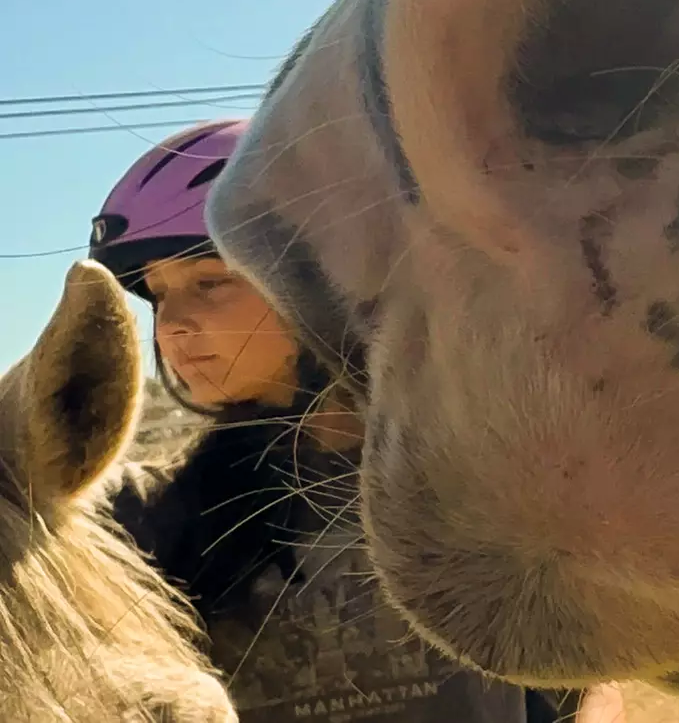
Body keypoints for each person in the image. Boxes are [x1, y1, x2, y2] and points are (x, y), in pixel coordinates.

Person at [89, 119, 587, 723]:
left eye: (210, 283)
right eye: (157, 293)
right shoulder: (145, 516)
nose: (172, 325)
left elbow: (580, 683)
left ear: (335, 278)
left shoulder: (495, 487)